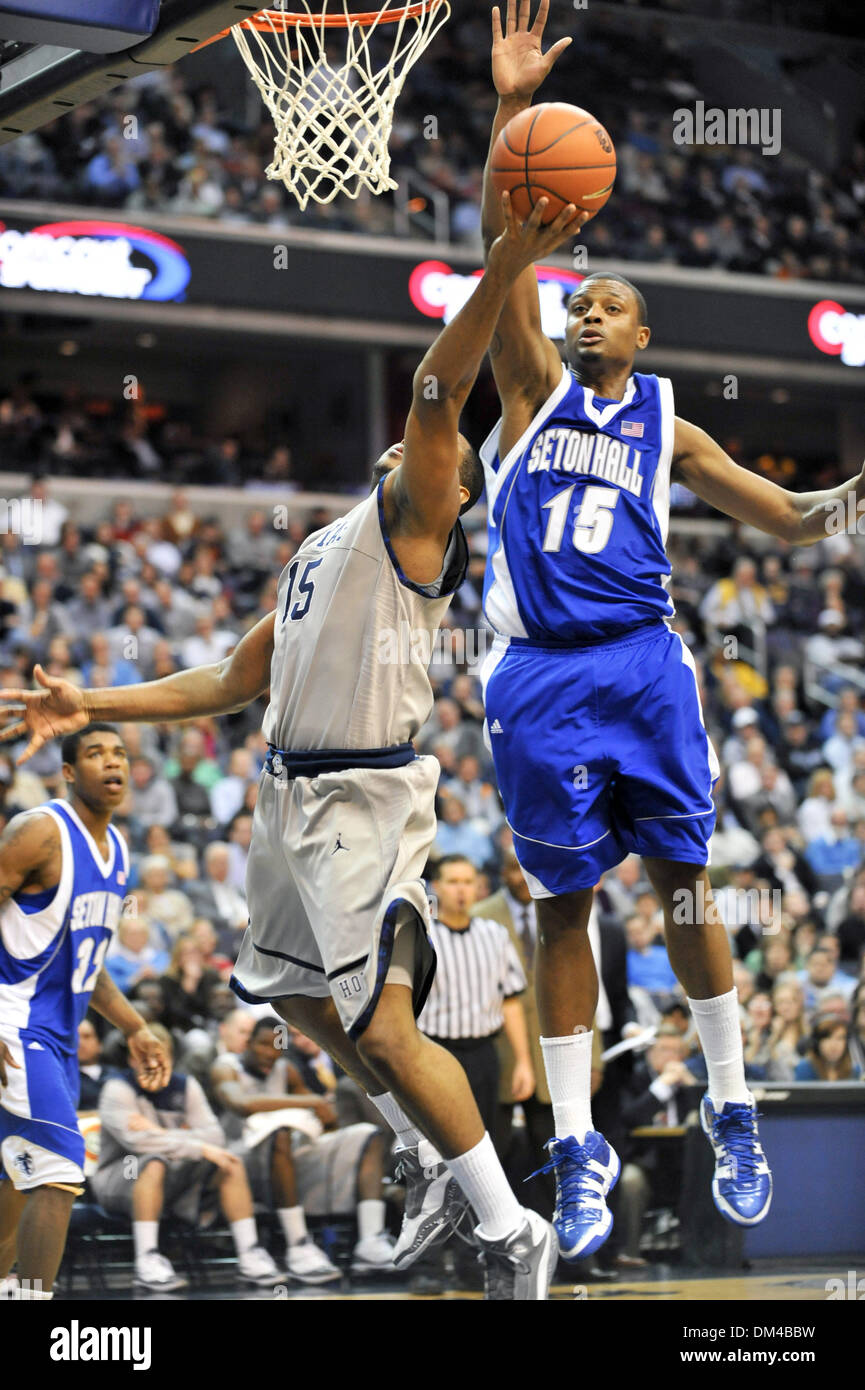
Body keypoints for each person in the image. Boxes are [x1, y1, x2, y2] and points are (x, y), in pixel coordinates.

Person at [0, 196, 588, 1300]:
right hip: (283, 795)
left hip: (361, 796)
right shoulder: (325, 545)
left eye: (438, 457)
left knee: (382, 1020)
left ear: (450, 492)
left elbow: (433, 390)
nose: (414, 450)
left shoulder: (420, 519)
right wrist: (89, 705)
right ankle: (420, 1154)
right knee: (287, 992)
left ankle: (511, 1228)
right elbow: (226, 681)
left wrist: (505, 261)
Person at [477, 0, 860, 1261]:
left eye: (610, 306)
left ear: (645, 336)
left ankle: (733, 1103)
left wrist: (846, 501)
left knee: (688, 882)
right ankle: (578, 1150)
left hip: (643, 665)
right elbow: (502, 248)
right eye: (578, 300)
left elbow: (796, 522)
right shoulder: (530, 391)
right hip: (537, 676)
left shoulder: (672, 429)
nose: (586, 312)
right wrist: (510, 115)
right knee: (562, 908)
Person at [0, 724, 169, 1300]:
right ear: (69, 772)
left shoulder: (118, 849)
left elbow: (86, 966)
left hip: (60, 1035)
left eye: (120, 753)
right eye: (95, 754)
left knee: (15, 1185)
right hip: (16, 1026)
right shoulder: (38, 832)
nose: (112, 762)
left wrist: (136, 1026)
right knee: (59, 1169)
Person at [95, 1022, 283, 1292]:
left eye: (159, 1056)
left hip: (173, 1176)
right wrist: (195, 1145)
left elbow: (215, 1136)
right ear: (131, 1058)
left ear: (171, 1058)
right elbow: (137, 1141)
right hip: (122, 1174)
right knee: (153, 1161)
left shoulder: (186, 1085)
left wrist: (158, 1131)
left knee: (229, 1161)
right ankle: (146, 1259)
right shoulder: (117, 1088)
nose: (152, 1064)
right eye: (143, 1057)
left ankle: (250, 1254)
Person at [211, 1016, 397, 1283]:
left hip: (285, 1158)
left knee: (367, 1135)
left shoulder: (286, 1070)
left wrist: (320, 1111)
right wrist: (307, 1101)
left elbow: (326, 1117)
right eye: (263, 1044)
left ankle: (370, 1241)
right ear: (248, 1042)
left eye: (276, 1046)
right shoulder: (227, 1066)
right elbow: (240, 1103)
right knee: (280, 1135)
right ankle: (298, 1245)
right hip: (241, 1161)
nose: (269, 1053)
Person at [419, 855, 533, 1140]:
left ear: (478, 887)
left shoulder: (495, 934)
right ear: (437, 886)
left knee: (485, 1139)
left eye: (468, 882)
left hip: (484, 1052)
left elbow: (511, 1002)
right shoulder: (421, 937)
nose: (461, 890)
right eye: (453, 882)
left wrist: (523, 1061)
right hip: (436, 1051)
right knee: (440, 1140)